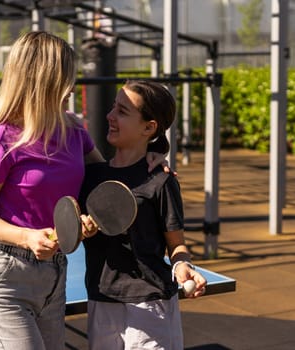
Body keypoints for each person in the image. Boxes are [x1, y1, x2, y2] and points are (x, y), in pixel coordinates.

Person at [0, 32, 167, 350]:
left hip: (55, 275)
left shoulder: (74, 130)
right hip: (6, 281)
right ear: (45, 80)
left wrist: (151, 156)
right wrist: (27, 236)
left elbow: (107, 185)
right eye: (67, 77)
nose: (72, 86)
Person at [78, 80, 207, 350]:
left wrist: (183, 265)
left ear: (149, 127)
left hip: (151, 303)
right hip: (101, 298)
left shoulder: (161, 181)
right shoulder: (91, 176)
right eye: (114, 107)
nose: (110, 116)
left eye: (123, 112)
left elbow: (177, 245)